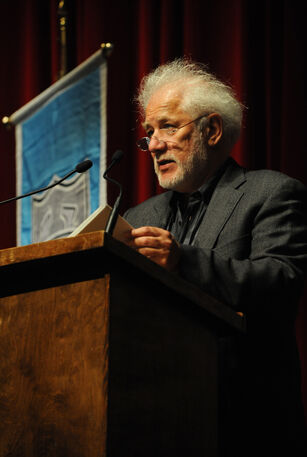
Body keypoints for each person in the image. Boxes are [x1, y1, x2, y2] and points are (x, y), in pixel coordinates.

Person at [123, 58, 307, 456]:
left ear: (212, 130)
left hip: (245, 420)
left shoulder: (270, 193)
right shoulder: (138, 219)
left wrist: (183, 263)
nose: (153, 145)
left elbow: (281, 281)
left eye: (169, 127)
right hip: (151, 421)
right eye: (149, 133)